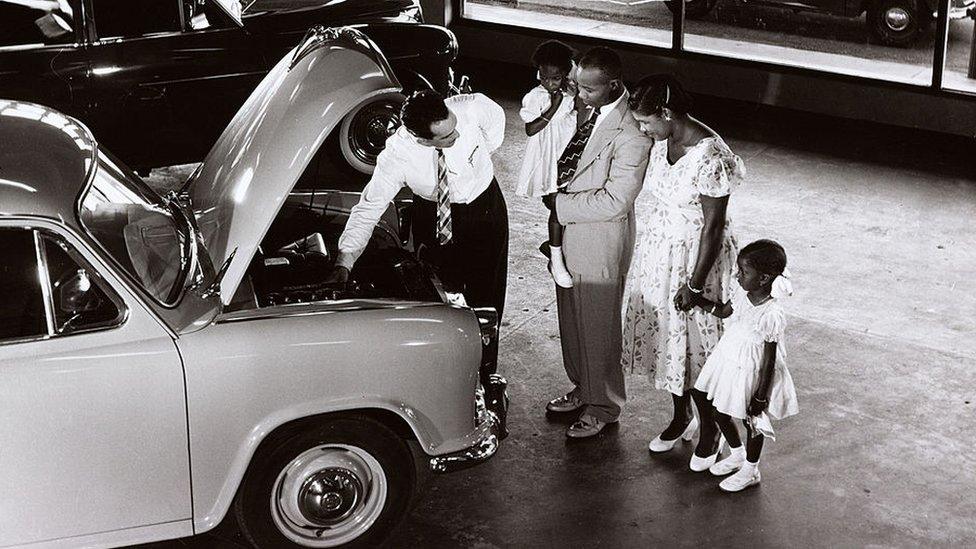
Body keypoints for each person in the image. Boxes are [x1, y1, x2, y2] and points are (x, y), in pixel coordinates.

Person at [327, 89, 509, 369]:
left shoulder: (472, 107)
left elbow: (496, 123)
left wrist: (481, 155)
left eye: (454, 127)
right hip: (433, 216)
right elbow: (368, 208)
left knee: (487, 296)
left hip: (485, 207)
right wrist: (345, 259)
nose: (456, 136)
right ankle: (448, 369)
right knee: (437, 296)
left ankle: (485, 368)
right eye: (446, 137)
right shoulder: (397, 156)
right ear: (421, 139)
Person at [620, 74, 744, 469]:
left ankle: (711, 431)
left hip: (695, 261)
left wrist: (694, 285)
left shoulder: (712, 156)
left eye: (645, 122)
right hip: (660, 255)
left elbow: (713, 227)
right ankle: (681, 416)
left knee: (696, 349)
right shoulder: (664, 141)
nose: (642, 129)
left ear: (667, 113)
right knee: (669, 343)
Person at [542, 47, 653, 438]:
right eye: (577, 85)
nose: (579, 95)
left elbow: (616, 201)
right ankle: (583, 386)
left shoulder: (633, 133)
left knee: (597, 324)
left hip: (599, 235)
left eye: (587, 90)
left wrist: (560, 204)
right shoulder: (588, 108)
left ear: (613, 85)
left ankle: (604, 405)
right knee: (572, 319)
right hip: (570, 230)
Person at [691, 239, 799, 492]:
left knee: (752, 420)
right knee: (718, 409)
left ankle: (751, 469)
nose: (738, 276)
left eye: (744, 272)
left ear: (763, 279)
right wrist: (698, 302)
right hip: (729, 358)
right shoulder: (742, 293)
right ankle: (737, 453)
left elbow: (769, 361)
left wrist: (761, 395)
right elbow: (725, 312)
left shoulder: (771, 314)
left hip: (752, 368)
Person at [515, 40, 578, 288]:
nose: (548, 82)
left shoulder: (572, 93)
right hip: (548, 159)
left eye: (554, 77)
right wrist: (553, 108)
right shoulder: (536, 97)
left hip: (568, 153)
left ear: (564, 75)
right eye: (543, 76)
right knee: (557, 206)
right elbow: (531, 129)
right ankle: (555, 257)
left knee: (567, 206)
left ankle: (556, 246)